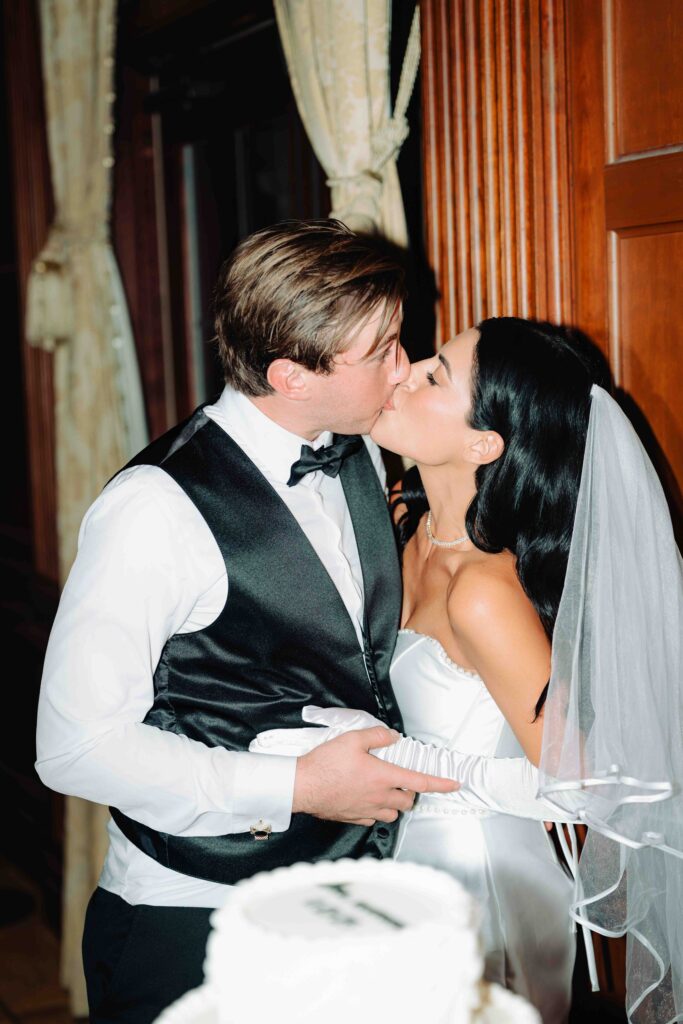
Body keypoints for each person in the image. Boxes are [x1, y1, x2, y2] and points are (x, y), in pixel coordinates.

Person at [35, 220, 463, 1024]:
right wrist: (300, 786)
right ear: (290, 376)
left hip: (350, 905)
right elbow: (73, 749)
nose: (403, 369)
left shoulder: (358, 449)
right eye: (380, 353)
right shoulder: (152, 512)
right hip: (194, 916)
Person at [258, 315, 683, 1023]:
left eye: (434, 376)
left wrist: (405, 758)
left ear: (483, 443)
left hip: (476, 875)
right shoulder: (404, 518)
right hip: (394, 855)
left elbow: (583, 788)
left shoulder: (484, 593)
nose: (404, 371)